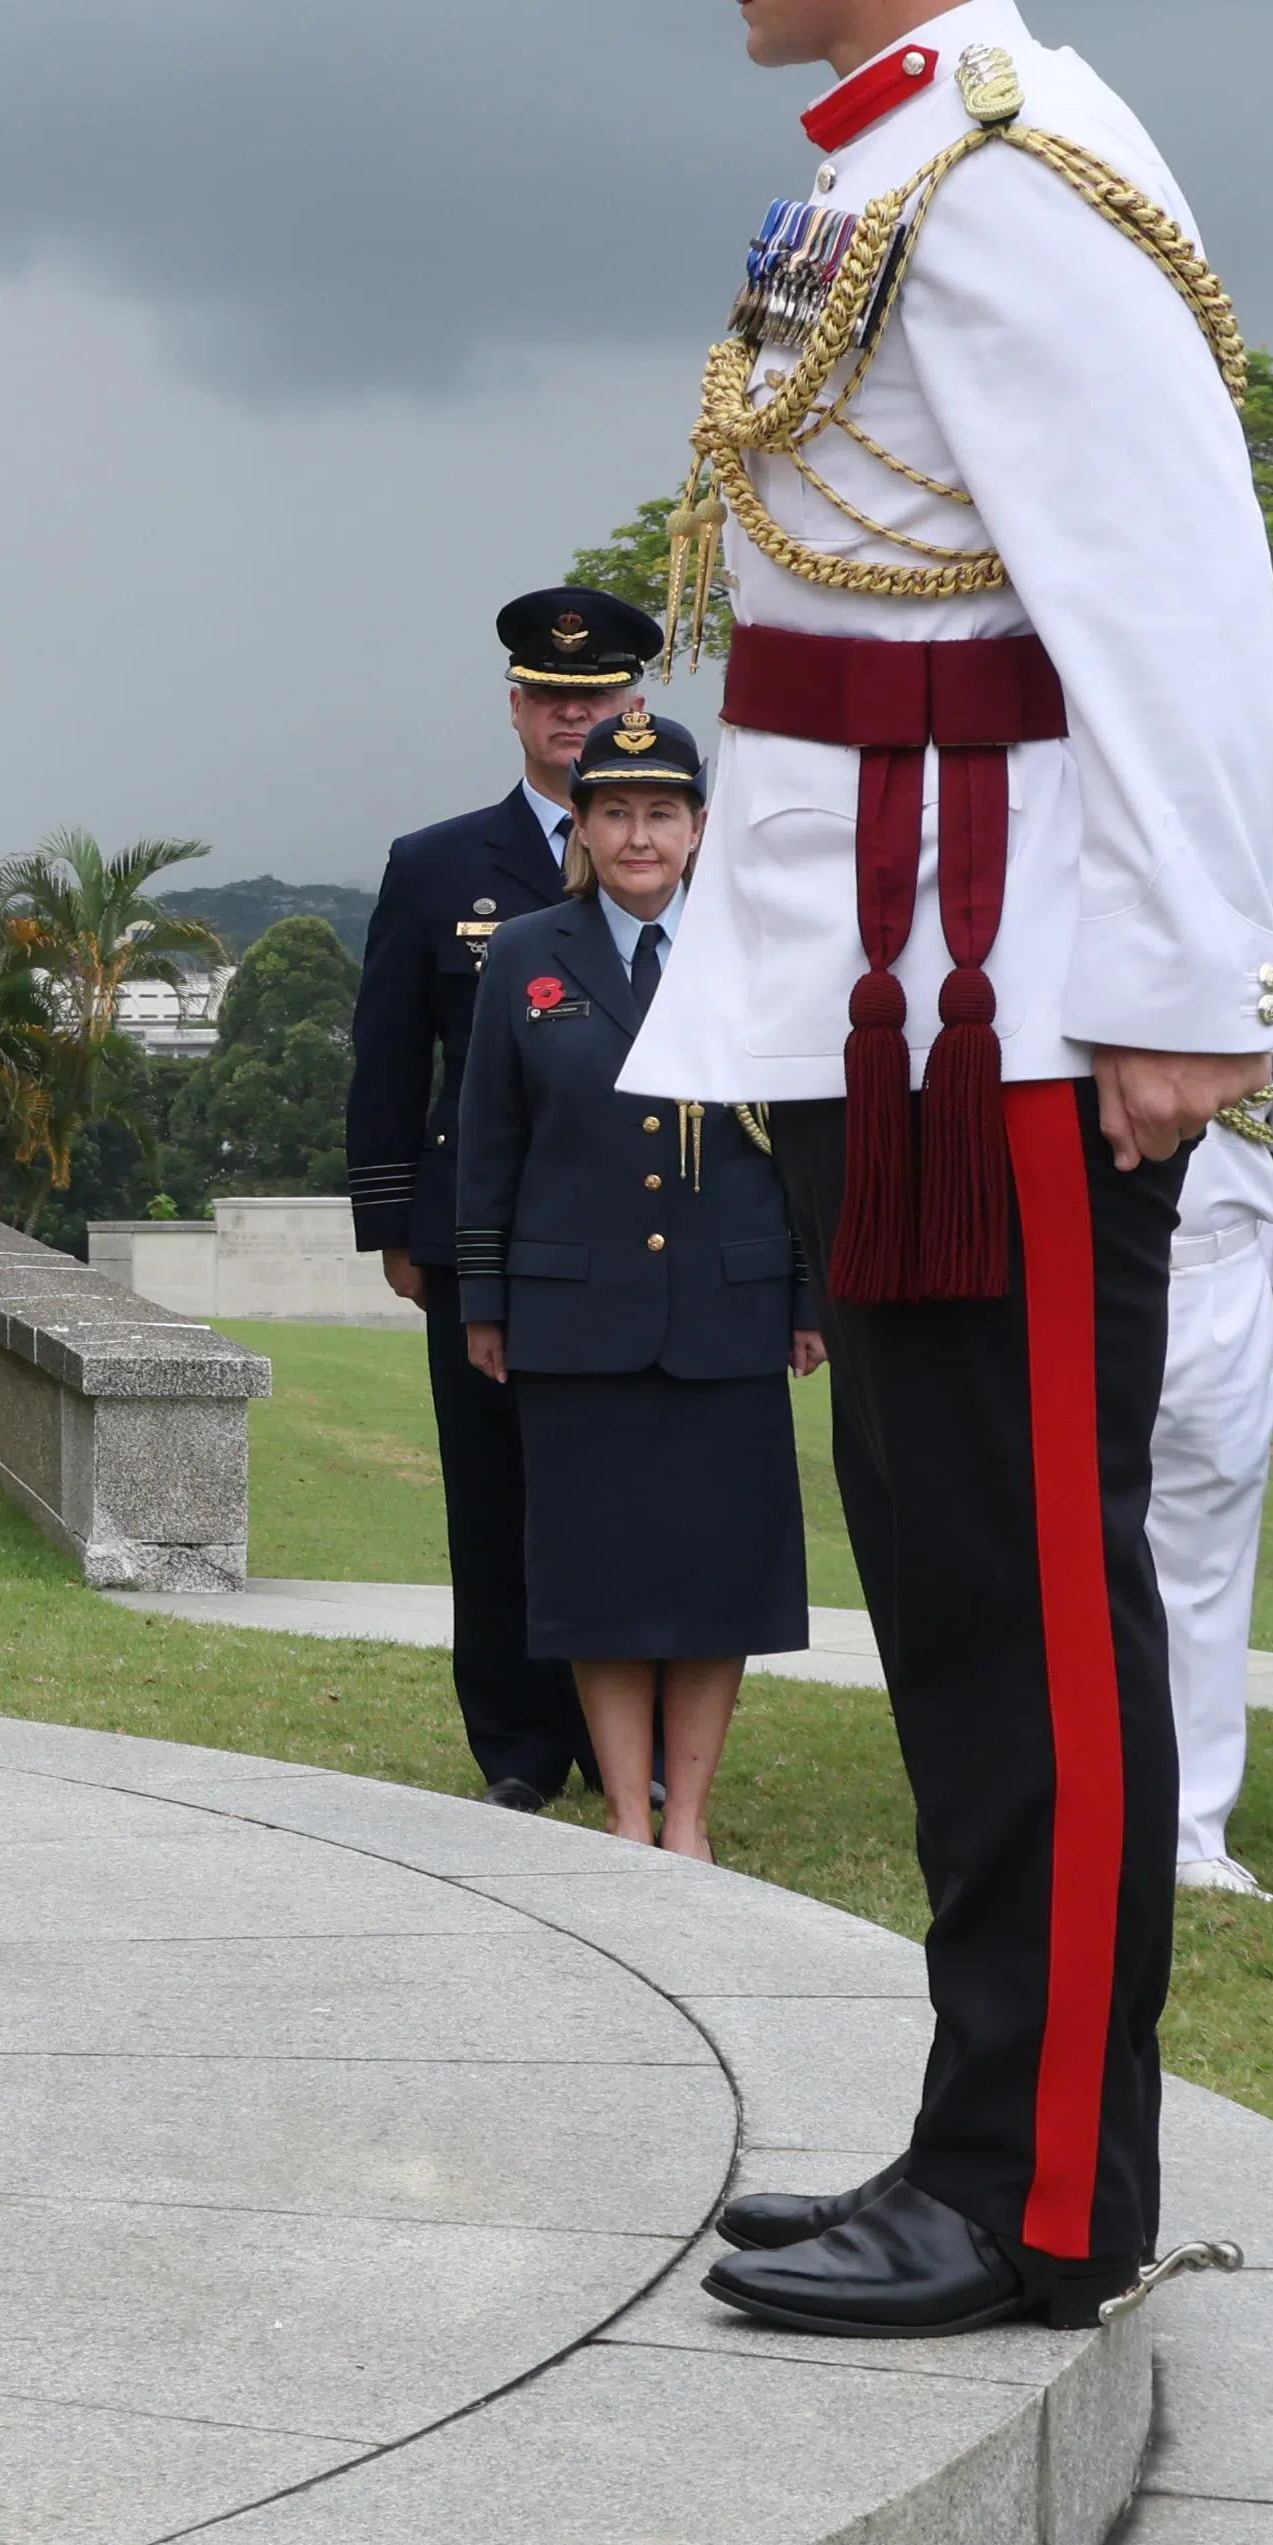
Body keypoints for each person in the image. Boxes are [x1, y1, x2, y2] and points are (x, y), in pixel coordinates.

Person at [610, 0, 1273, 2341]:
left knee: (1034, 1617)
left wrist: (1178, 998)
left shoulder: (1013, 178)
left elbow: (1167, 607)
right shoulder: (903, 163)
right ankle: (973, 2133)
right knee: (955, 1604)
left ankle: (1043, 2197)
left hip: (1002, 1024)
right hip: (891, 1021)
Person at [443, 708, 823, 1858]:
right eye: (614, 811)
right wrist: (484, 1300)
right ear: (584, 827)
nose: (638, 835)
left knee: (716, 1576)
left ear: (701, 827)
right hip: (575, 1312)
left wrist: (808, 1298)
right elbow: (486, 1141)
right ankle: (620, 1810)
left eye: (661, 812)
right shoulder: (524, 955)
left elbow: (805, 1141)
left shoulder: (754, 954)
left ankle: (689, 1819)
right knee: (597, 1574)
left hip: (728, 1305)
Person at [357, 586, 667, 1811]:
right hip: (477, 1229)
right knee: (491, 1496)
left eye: (593, 697)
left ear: (635, 703)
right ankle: (518, 1745)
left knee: (622, 1489)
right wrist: (393, 1223)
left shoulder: (689, 853)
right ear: (513, 705)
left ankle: (622, 1744)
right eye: (548, 695)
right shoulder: (434, 864)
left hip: (634, 1227)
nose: (570, 714)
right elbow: (387, 1057)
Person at [1149, 926, 1273, 1901]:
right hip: (1072, 1278)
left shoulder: (1270, 962)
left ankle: (1189, 1825)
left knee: (1205, 1568)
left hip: (1214, 1273)